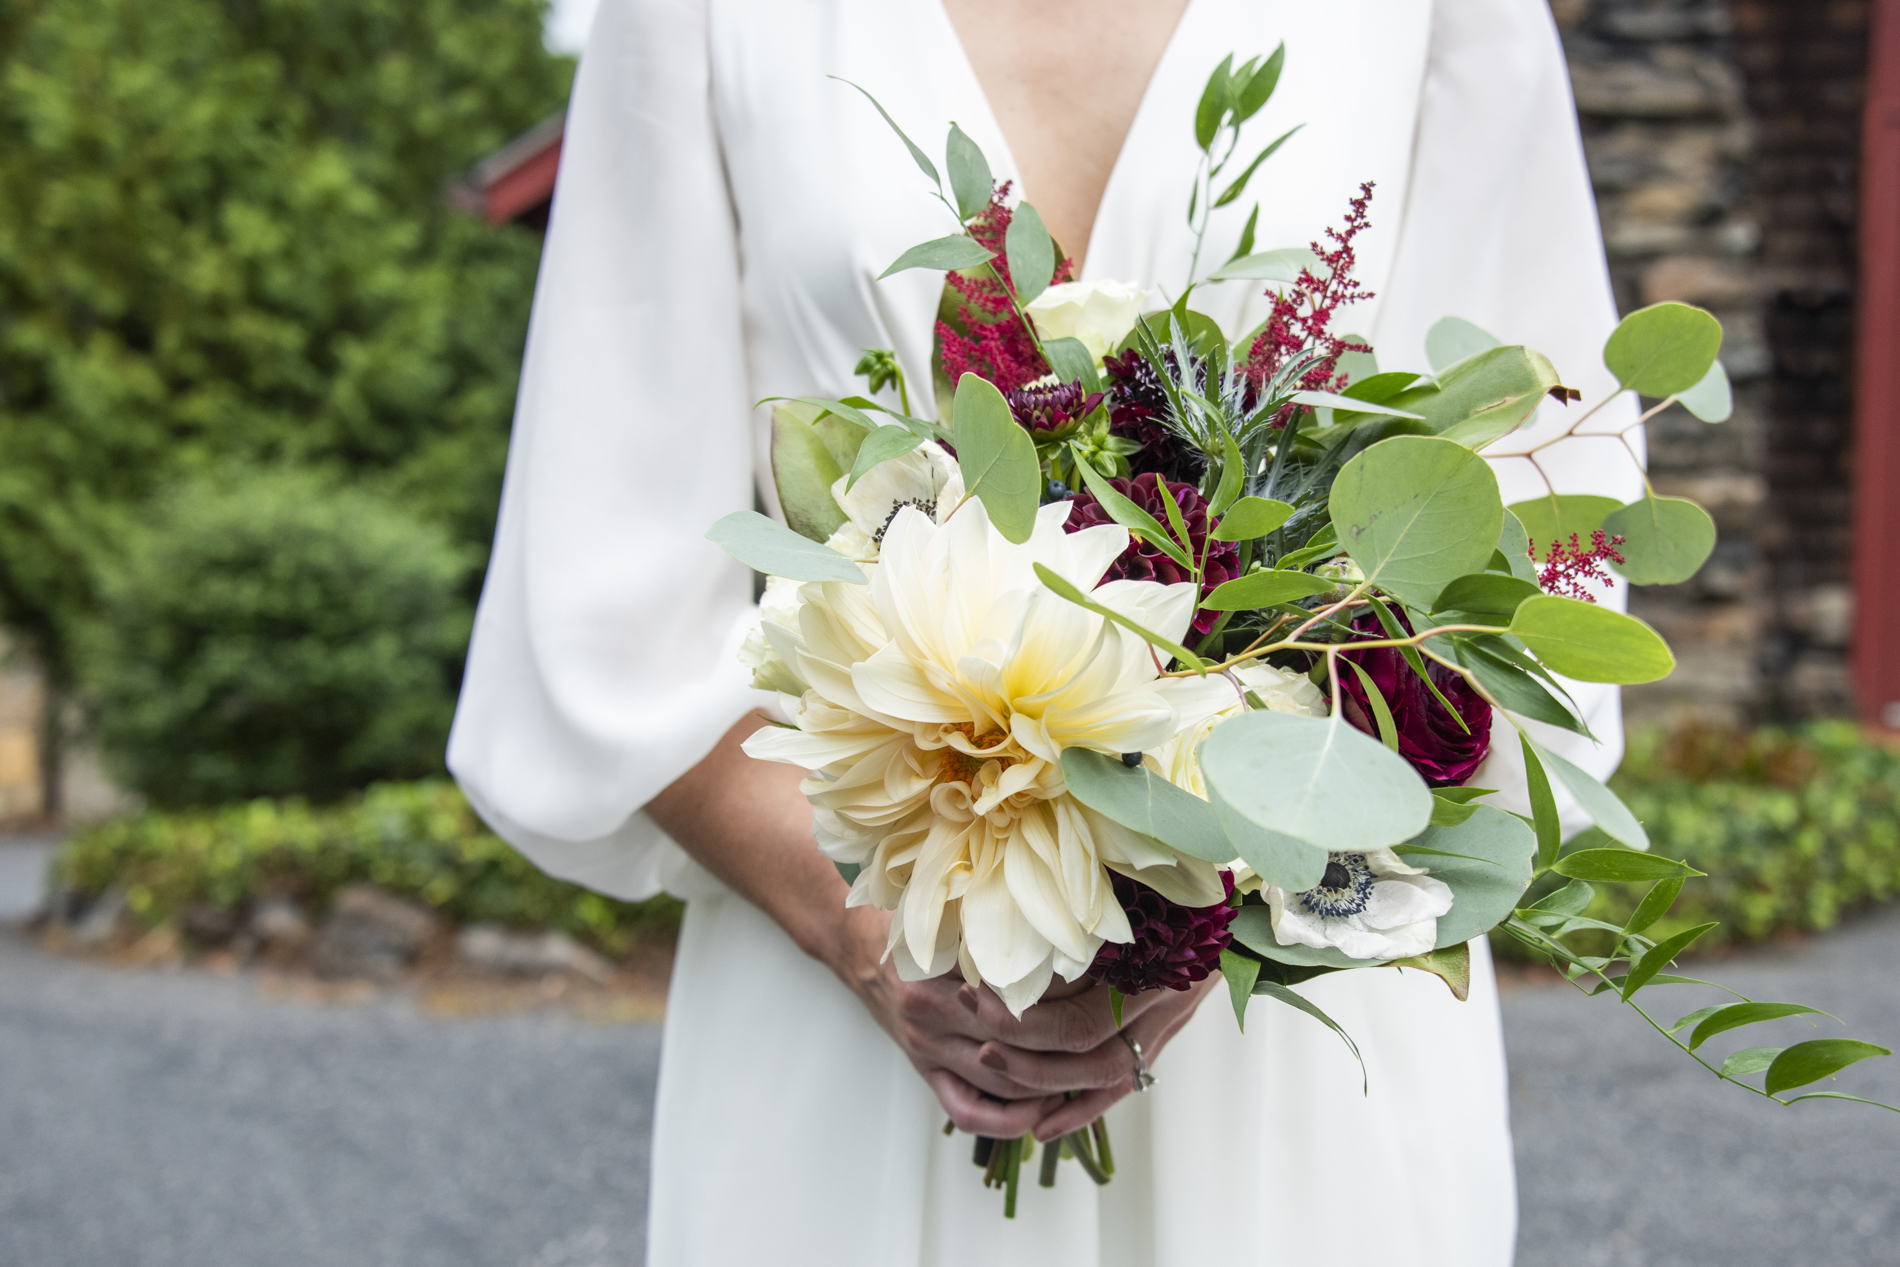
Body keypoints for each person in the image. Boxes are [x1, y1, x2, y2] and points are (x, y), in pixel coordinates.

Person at [448, 0, 1640, 1262]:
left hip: (1290, 1018)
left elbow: (1524, 525)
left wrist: (1208, 913)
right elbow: (608, 584)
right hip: (851, 995)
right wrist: (882, 944)